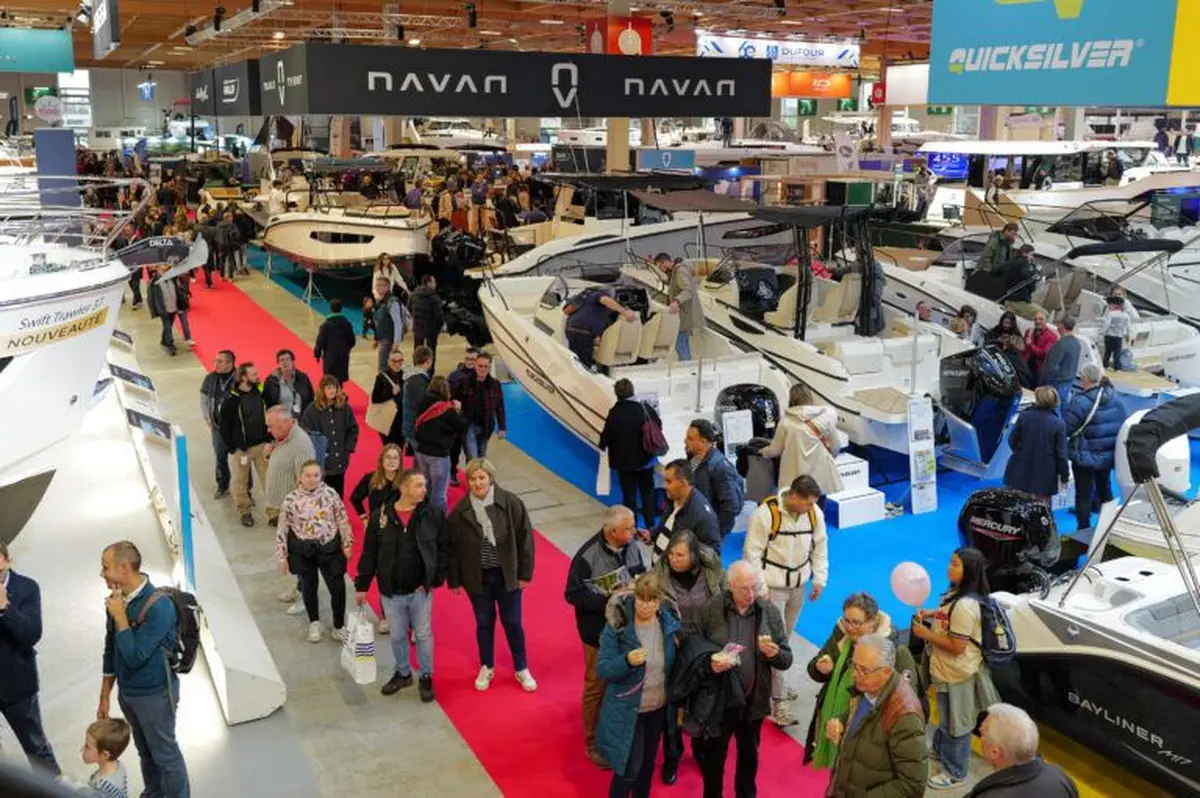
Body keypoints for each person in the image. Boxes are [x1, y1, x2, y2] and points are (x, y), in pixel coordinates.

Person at [97, 541, 191, 798]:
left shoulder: (159, 607)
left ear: (124, 568)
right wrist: (105, 695)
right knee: (145, 751)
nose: (102, 574)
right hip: (129, 694)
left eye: (105, 567)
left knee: (165, 754)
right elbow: (111, 649)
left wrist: (120, 618)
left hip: (154, 695)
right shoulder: (117, 601)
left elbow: (135, 655)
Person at [692, 561, 792, 798]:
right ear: (730, 586)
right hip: (720, 701)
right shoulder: (710, 610)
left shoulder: (769, 612)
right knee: (714, 757)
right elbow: (694, 652)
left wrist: (775, 653)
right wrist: (710, 664)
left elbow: (786, 659)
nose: (750, 594)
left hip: (753, 702)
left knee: (749, 757)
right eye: (744, 588)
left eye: (754, 587)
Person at [565, 506, 651, 767]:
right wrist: (607, 600)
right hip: (597, 633)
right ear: (613, 532)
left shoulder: (632, 544)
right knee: (596, 685)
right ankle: (592, 742)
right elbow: (572, 594)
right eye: (628, 528)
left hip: (627, 626)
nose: (634, 530)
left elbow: (640, 573)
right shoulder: (586, 556)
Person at [910, 548, 1001, 790]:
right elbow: (949, 619)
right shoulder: (956, 595)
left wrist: (925, 634)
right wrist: (933, 613)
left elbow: (958, 646)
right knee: (947, 716)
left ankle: (955, 771)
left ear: (968, 571)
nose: (949, 567)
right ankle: (941, 752)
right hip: (946, 670)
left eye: (955, 564)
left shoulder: (964, 606)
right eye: (951, 562)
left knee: (957, 724)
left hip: (956, 673)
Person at [742, 475, 828, 727]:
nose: (811, 509)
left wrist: (820, 578)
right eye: (807, 503)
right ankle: (778, 704)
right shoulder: (765, 515)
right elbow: (752, 553)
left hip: (798, 587)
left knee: (785, 641)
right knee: (776, 645)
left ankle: (773, 685)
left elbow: (820, 546)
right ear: (793, 496)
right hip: (773, 590)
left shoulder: (814, 515)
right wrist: (761, 588)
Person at [356, 468, 447, 703]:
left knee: (424, 634)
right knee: (397, 636)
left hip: (420, 592)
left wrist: (435, 578)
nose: (424, 490)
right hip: (391, 592)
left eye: (425, 485)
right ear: (403, 488)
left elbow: (444, 548)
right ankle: (403, 672)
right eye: (418, 485)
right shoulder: (381, 516)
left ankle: (426, 675)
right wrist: (362, 584)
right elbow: (370, 552)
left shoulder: (433, 515)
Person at [446, 458, 537, 693]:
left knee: (513, 622)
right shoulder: (459, 512)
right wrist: (455, 580)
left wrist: (525, 573)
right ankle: (487, 665)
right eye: (473, 479)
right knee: (484, 623)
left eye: (482, 477)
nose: (478, 483)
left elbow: (525, 539)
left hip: (507, 576)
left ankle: (521, 667)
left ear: (490, 478)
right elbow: (452, 549)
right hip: (477, 578)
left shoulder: (511, 503)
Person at [804, 592, 918, 770]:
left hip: (869, 736)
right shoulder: (842, 637)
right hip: (836, 726)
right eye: (847, 620)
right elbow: (814, 669)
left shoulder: (895, 651)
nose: (850, 628)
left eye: (857, 622)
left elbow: (908, 701)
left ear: (873, 621)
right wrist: (820, 669)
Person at [595, 573, 680, 798]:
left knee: (648, 763)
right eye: (641, 599)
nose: (646, 605)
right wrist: (626, 661)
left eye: (651, 600)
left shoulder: (668, 624)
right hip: (629, 708)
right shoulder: (618, 625)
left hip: (658, 708)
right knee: (629, 768)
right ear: (635, 598)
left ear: (659, 600)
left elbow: (674, 664)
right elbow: (603, 669)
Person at [651, 529, 724, 784]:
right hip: (675, 650)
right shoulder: (659, 577)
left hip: (706, 648)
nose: (673, 558)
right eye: (671, 553)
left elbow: (723, 601)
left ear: (694, 555)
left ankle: (701, 750)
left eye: (680, 554)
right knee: (674, 706)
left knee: (704, 703)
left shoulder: (712, 571)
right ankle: (673, 756)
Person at [824, 634, 927, 798]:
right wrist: (841, 723)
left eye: (863, 670)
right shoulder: (866, 688)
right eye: (854, 666)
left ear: (886, 671)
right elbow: (862, 721)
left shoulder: (905, 716)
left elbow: (912, 786)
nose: (855, 674)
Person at [275, 461, 354, 643]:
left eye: (316, 475)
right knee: (309, 587)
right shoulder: (290, 500)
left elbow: (342, 518)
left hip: (329, 548)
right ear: (300, 477)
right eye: (308, 475)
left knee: (338, 588)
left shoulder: (330, 494)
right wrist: (282, 556)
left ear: (321, 476)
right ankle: (314, 622)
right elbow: (282, 529)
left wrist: (347, 543)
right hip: (304, 551)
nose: (312, 479)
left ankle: (339, 626)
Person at [0, 541, 60, 776]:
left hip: (18, 687)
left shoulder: (27, 588)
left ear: (8, 560)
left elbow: (31, 634)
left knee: (36, 747)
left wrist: (5, 607)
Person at [969, 703, 1080, 797]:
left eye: (982, 733)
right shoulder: (1061, 780)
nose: (980, 735)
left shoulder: (989, 795)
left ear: (994, 752)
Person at [1065, 365, 1126, 534]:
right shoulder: (1117, 399)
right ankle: (1110, 527)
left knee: (1083, 495)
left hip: (1084, 456)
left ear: (1084, 379)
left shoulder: (1079, 402)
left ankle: (1083, 530)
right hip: (1107, 455)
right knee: (1105, 490)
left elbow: (1067, 429)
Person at [757, 383, 844, 498]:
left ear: (792, 399)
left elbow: (775, 450)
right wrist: (828, 457)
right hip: (819, 478)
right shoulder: (824, 418)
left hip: (794, 479)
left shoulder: (785, 423)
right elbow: (836, 446)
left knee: (796, 511)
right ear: (809, 397)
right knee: (818, 511)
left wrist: (762, 452)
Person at [599, 379, 659, 528]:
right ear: (632, 391)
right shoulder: (644, 408)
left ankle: (631, 527)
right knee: (648, 492)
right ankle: (650, 525)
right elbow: (658, 425)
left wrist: (602, 445)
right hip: (645, 460)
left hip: (623, 463)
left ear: (616, 393)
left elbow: (605, 437)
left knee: (629, 496)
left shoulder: (614, 412)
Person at [219, 363, 271, 527]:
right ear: (243, 377)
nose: (257, 376)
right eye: (253, 374)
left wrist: (269, 439)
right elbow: (224, 426)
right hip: (242, 449)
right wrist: (233, 448)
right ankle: (245, 511)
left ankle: (273, 512)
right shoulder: (231, 399)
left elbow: (270, 413)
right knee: (240, 482)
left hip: (262, 445)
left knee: (269, 480)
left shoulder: (260, 392)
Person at [1004, 387, 1069, 503]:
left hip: (1018, 472)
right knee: (1038, 514)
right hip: (1044, 480)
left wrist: (1021, 453)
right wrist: (1064, 477)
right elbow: (1061, 456)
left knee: (1012, 508)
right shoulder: (1059, 425)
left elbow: (1012, 440)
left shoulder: (1024, 416)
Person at [685, 419, 745, 541]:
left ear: (703, 442)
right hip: (695, 524)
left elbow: (730, 506)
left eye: (690, 438)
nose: (685, 441)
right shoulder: (694, 458)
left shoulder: (719, 466)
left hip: (708, 531)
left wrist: (716, 533)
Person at [300, 376, 359, 498]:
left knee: (338, 494)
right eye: (328, 387)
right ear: (322, 390)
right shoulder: (312, 410)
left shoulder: (344, 408)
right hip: (322, 463)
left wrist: (347, 448)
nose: (332, 391)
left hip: (340, 461)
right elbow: (305, 433)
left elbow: (353, 428)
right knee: (322, 495)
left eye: (334, 387)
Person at [413, 376, 466, 513]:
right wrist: (459, 410)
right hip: (439, 455)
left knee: (422, 488)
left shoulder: (422, 403)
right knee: (438, 494)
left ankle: (421, 516)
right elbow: (462, 426)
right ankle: (437, 523)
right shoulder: (447, 409)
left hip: (421, 451)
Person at [648, 460, 720, 557]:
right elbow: (667, 524)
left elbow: (711, 556)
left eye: (669, 481)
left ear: (683, 483)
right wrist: (652, 535)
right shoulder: (673, 498)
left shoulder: (702, 517)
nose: (664, 486)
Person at [263, 405, 317, 529]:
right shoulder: (283, 436)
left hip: (292, 515)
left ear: (286, 422)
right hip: (280, 509)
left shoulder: (301, 446)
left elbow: (307, 485)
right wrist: (268, 454)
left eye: (271, 426)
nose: (268, 431)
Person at [564, 287, 639, 370]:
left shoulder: (593, 304)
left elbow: (597, 321)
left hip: (573, 330)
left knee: (574, 360)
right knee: (584, 364)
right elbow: (605, 300)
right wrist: (624, 312)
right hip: (583, 332)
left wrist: (597, 336)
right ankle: (582, 379)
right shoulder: (598, 295)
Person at [453, 352, 506, 459]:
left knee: (482, 458)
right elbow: (453, 401)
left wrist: (502, 427)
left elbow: (500, 407)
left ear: (490, 367)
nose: (482, 369)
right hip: (468, 426)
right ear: (475, 365)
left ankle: (475, 475)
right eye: (480, 366)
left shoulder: (495, 385)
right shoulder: (463, 382)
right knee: (473, 457)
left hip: (486, 426)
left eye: (486, 366)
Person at [199, 349, 237, 499]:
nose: (216, 364)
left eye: (220, 361)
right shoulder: (210, 378)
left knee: (242, 460)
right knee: (220, 458)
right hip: (218, 428)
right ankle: (222, 485)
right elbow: (204, 399)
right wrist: (207, 417)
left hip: (236, 429)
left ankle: (246, 490)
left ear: (230, 363)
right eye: (216, 361)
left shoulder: (240, 377)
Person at [657, 253, 705, 360]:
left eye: (660, 267)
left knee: (679, 343)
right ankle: (688, 365)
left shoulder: (680, 272)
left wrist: (676, 301)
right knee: (683, 342)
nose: (661, 270)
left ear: (665, 262)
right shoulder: (677, 271)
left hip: (684, 315)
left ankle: (686, 367)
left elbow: (687, 291)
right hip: (686, 314)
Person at [447, 348, 480, 485]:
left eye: (473, 359)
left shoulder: (481, 376)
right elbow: (447, 396)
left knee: (473, 454)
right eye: (467, 359)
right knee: (454, 449)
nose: (469, 362)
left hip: (473, 421)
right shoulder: (454, 376)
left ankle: (473, 478)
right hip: (457, 419)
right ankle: (452, 472)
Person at [350, 443, 404, 523]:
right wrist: (364, 520)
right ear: (381, 460)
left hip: (398, 527)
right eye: (388, 457)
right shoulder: (370, 478)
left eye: (395, 458)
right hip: (376, 526)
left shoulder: (406, 481)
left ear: (400, 462)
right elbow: (355, 498)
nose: (391, 461)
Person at [1039, 316, 1082, 411]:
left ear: (1062, 326)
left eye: (1058, 324)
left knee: (1053, 409)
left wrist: (1043, 382)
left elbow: (1052, 366)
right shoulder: (1077, 343)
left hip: (1057, 383)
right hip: (1069, 381)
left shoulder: (1061, 343)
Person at [82, 718, 131, 798]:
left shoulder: (101, 787)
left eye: (87, 746)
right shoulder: (119, 766)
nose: (82, 749)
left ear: (104, 755)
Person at [313, 298, 356, 385]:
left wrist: (317, 354)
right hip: (343, 356)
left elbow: (320, 341)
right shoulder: (347, 324)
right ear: (341, 308)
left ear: (330, 309)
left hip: (330, 357)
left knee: (330, 381)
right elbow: (352, 341)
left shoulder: (326, 325)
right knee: (339, 381)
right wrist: (346, 349)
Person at [263, 349, 315, 420]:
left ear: (293, 362)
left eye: (287, 359)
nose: (285, 362)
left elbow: (311, 399)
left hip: (302, 421)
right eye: (282, 360)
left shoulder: (303, 378)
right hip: (281, 422)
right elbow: (268, 405)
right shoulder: (271, 382)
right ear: (278, 363)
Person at [371, 346, 407, 447]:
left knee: (399, 450)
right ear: (389, 361)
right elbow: (375, 398)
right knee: (388, 449)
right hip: (387, 421)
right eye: (394, 361)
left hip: (401, 421)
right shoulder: (381, 377)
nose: (397, 364)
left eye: (400, 361)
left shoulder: (405, 376)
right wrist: (391, 393)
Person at [403, 345, 434, 454]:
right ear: (428, 361)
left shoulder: (412, 377)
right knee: (421, 461)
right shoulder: (418, 381)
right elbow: (421, 405)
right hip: (415, 428)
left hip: (411, 426)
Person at [410, 275, 445, 370]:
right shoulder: (434, 298)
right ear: (429, 283)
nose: (435, 284)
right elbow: (439, 316)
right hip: (431, 329)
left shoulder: (414, 294)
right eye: (434, 282)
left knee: (417, 351)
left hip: (417, 327)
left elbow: (409, 308)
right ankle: (429, 372)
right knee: (431, 352)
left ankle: (416, 369)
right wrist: (440, 325)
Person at [146, 264, 181, 357]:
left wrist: (180, 305)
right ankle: (170, 345)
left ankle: (164, 341)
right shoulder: (153, 282)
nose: (166, 266)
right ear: (157, 268)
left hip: (173, 307)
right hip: (163, 309)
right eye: (163, 265)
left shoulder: (173, 277)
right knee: (168, 327)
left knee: (168, 327)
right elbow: (150, 299)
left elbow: (178, 291)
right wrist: (154, 311)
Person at [372, 276, 402, 373]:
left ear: (388, 287)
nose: (378, 288)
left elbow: (398, 323)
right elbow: (379, 322)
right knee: (386, 367)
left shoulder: (392, 302)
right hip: (383, 338)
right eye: (377, 285)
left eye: (381, 285)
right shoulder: (380, 301)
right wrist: (376, 338)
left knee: (384, 368)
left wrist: (396, 343)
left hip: (389, 340)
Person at [1023, 311, 1059, 383]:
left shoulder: (1052, 336)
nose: (1038, 321)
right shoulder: (1029, 331)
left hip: (1038, 371)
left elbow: (1044, 354)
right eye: (1035, 319)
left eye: (1040, 319)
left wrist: (1030, 345)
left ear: (1046, 320)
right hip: (1025, 366)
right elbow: (1023, 348)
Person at [1099, 296, 1132, 371]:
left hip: (1109, 336)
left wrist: (1102, 333)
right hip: (1119, 337)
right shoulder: (1126, 316)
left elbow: (1106, 325)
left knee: (1107, 352)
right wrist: (1128, 335)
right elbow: (1128, 327)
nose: (1109, 306)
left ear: (1115, 305)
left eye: (1110, 305)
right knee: (1117, 353)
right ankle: (1117, 368)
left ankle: (1105, 366)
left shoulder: (1111, 314)